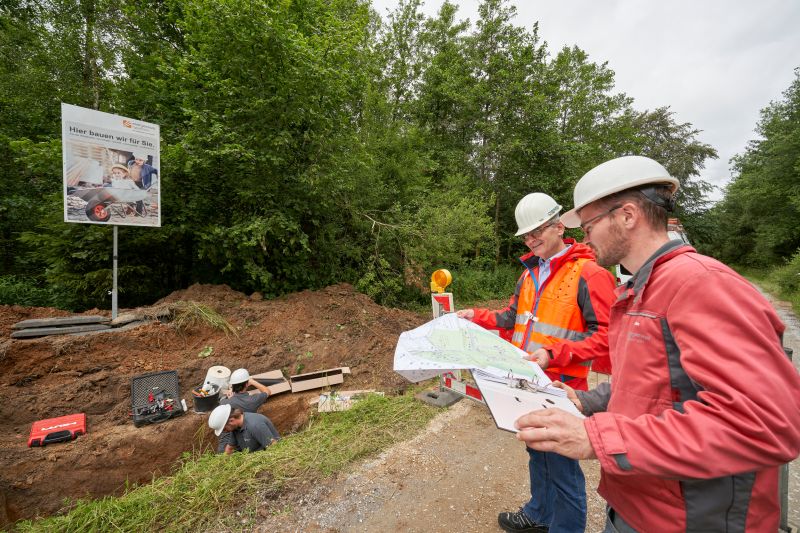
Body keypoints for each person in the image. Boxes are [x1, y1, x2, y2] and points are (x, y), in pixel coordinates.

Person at [515, 155, 800, 532]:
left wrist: (599, 437)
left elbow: (766, 423)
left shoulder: (700, 285)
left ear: (627, 215)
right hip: (640, 503)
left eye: (588, 225)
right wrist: (585, 401)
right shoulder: (640, 289)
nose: (583, 238)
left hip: (692, 519)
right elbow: (655, 382)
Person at [456, 192, 616, 533]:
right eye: (526, 235)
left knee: (561, 466)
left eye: (537, 230)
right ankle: (539, 514)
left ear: (559, 226)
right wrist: (476, 316)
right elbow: (512, 316)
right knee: (536, 452)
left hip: (564, 388)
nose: (531, 239)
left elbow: (607, 336)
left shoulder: (589, 273)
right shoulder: (529, 274)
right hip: (525, 382)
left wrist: (554, 353)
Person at [217, 368, 276, 453]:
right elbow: (267, 391)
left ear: (232, 385)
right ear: (246, 384)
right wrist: (252, 381)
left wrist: (230, 398)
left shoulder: (224, 402)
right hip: (245, 441)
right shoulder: (253, 400)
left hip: (225, 444)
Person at [208, 404, 280, 455]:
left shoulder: (255, 425)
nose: (224, 432)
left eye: (224, 429)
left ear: (231, 420)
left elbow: (274, 448)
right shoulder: (235, 427)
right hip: (251, 457)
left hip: (264, 457)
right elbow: (229, 448)